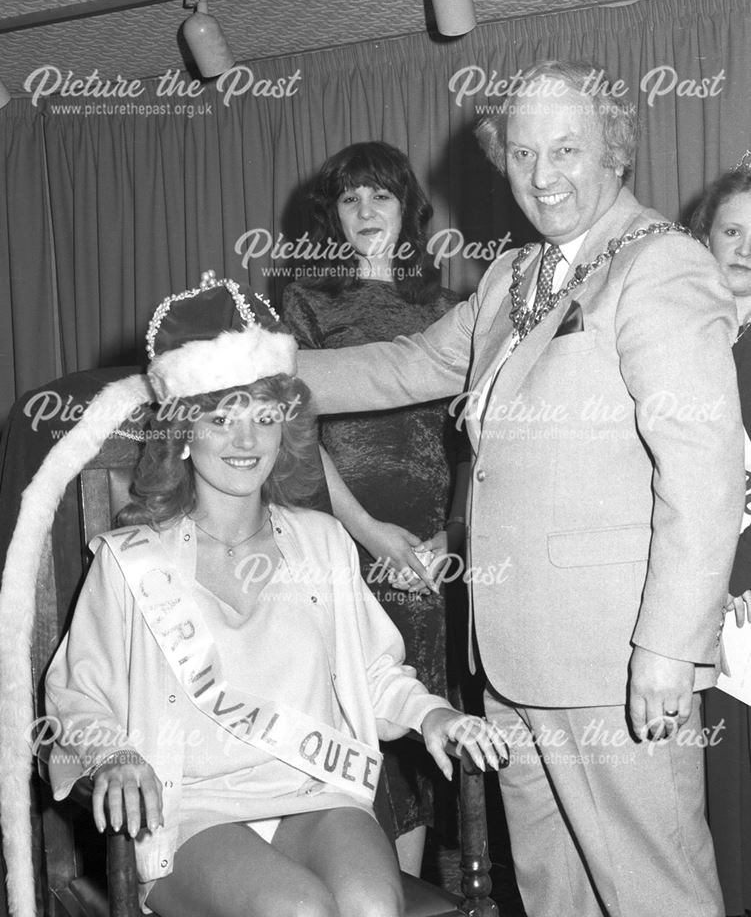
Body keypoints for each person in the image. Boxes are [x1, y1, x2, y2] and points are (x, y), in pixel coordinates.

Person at [293, 60, 745, 917]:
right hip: (508, 657)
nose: (543, 176)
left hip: (613, 660)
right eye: (524, 153)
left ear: (614, 152)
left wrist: (666, 648)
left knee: (654, 892)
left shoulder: (662, 264)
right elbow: (409, 364)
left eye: (567, 149)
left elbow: (705, 465)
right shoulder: (512, 276)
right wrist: (258, 367)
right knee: (548, 893)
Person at [0, 271, 505, 917]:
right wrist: (113, 756)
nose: (246, 441)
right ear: (183, 432)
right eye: (221, 418)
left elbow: (374, 672)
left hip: (315, 793)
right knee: (294, 909)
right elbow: (76, 698)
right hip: (193, 811)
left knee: (374, 907)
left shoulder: (321, 544)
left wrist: (433, 714)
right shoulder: (132, 564)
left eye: (265, 417)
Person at [282, 140, 470, 872]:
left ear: (407, 210)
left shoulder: (449, 306)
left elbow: (469, 444)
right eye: (349, 198)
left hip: (430, 550)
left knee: (422, 706)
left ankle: (407, 886)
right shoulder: (303, 300)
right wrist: (366, 531)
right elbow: (290, 431)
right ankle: (362, 881)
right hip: (340, 537)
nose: (365, 211)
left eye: (380, 196)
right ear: (331, 214)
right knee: (357, 712)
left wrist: (445, 538)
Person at [691, 163, 751, 917]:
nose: (743, 247)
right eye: (730, 231)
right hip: (690, 603)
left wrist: (735, 573)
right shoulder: (676, 341)